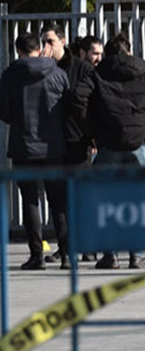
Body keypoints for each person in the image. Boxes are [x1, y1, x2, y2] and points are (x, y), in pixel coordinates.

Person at [90, 33, 145, 269]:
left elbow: (79, 100)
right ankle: (136, 256)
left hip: (107, 146)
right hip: (138, 144)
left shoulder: (97, 73)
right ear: (128, 52)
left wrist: (91, 133)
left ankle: (110, 256)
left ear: (108, 54)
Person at [0, 32, 69, 270]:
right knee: (58, 201)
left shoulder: (9, 76)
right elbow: (68, 108)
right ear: (39, 49)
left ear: (18, 50)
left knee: (30, 201)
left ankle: (36, 256)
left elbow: (5, 112)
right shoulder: (59, 74)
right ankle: (67, 255)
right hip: (54, 147)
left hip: (23, 147)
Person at [40, 25, 96, 265]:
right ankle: (65, 249)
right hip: (51, 142)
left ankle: (86, 246)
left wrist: (93, 136)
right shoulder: (42, 69)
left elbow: (91, 103)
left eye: (50, 41)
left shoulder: (81, 68)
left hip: (77, 139)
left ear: (62, 41)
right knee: (57, 199)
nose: (46, 47)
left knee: (81, 196)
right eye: (43, 41)